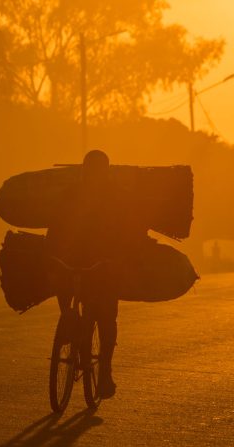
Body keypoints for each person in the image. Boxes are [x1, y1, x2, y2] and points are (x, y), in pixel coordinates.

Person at [45, 150, 150, 399]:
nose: (90, 175)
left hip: (105, 265)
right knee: (63, 288)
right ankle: (68, 319)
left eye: (94, 170)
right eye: (87, 170)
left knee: (106, 318)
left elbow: (130, 233)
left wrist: (119, 259)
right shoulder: (71, 195)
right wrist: (51, 255)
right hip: (73, 261)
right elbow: (56, 227)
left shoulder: (117, 198)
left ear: (103, 172)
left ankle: (104, 369)